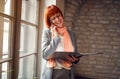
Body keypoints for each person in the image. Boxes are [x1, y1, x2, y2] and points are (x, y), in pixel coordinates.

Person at [41, 5, 80, 79]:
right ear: (50, 21)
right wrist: (56, 38)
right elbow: (45, 55)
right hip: (52, 73)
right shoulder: (47, 33)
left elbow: (75, 54)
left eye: (58, 15)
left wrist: (76, 60)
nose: (58, 19)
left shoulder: (72, 34)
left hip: (67, 73)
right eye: (53, 18)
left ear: (62, 15)